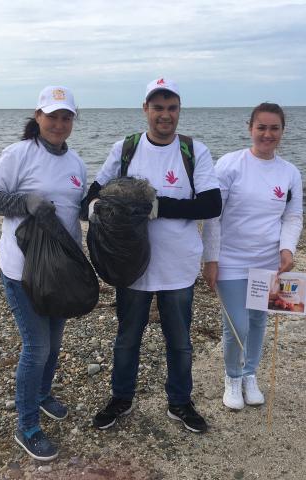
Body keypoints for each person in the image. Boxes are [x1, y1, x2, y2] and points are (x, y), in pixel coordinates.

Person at [83, 78, 221, 433]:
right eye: (157, 107)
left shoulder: (194, 151)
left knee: (180, 341)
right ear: (145, 109)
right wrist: (103, 207)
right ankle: (121, 398)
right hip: (132, 266)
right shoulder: (125, 149)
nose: (165, 115)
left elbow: (210, 203)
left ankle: (180, 402)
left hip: (178, 266)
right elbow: (91, 198)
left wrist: (155, 207)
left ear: (179, 110)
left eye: (172, 107)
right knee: (128, 337)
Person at [0, 86, 86, 461]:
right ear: (38, 117)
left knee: (53, 345)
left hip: (61, 272)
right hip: (22, 270)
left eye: (66, 117)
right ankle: (27, 426)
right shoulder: (18, 154)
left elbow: (77, 212)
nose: (58, 123)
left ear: (73, 120)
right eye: (52, 116)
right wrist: (25, 201)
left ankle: (42, 395)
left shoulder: (76, 164)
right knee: (36, 347)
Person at [202, 102, 303, 410]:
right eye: (262, 127)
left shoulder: (289, 173)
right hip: (231, 261)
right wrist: (211, 259)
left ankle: (249, 374)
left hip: (267, 264)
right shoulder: (230, 165)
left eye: (274, 128)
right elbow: (212, 215)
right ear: (250, 128)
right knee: (237, 324)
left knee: (258, 321)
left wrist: (288, 249)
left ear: (283, 132)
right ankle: (232, 377)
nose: (267, 134)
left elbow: (292, 216)